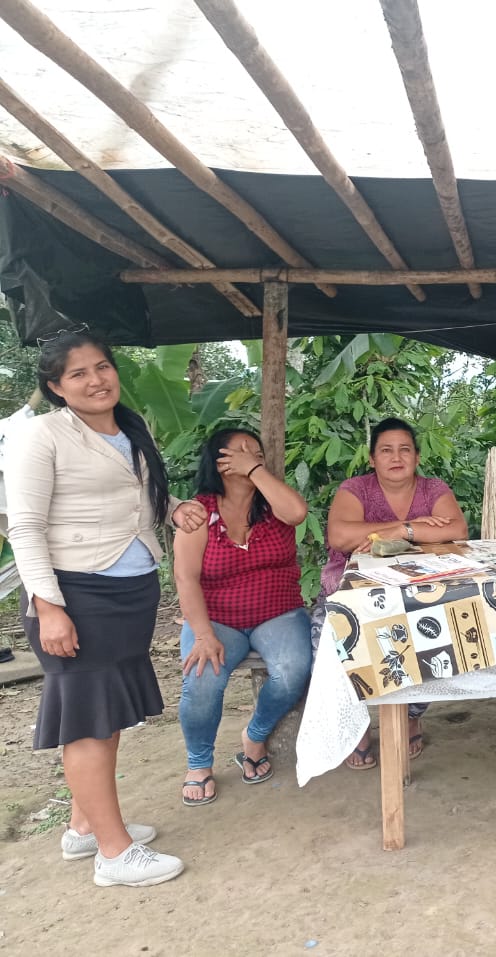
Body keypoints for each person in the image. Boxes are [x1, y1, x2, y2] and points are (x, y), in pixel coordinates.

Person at [6, 329, 205, 887]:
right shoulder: (42, 435)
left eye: (102, 366)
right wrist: (49, 607)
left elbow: (136, 500)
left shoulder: (130, 428)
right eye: (78, 374)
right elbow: (24, 527)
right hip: (77, 593)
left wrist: (174, 509)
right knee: (87, 725)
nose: (96, 380)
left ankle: (84, 828)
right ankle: (114, 856)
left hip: (129, 591)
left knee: (106, 715)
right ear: (56, 386)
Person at [174, 428, 311, 806]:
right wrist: (203, 635)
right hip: (217, 618)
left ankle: (255, 735)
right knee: (202, 680)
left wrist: (253, 470)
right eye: (240, 451)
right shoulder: (198, 512)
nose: (251, 455)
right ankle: (198, 763)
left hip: (278, 611)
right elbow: (185, 578)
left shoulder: (274, 504)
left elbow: (298, 513)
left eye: (256, 451)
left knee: (293, 670)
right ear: (218, 462)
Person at [320, 417, 467, 769]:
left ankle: (411, 714)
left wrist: (397, 533)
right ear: (372, 459)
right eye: (386, 450)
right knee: (326, 645)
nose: (396, 457)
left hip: (418, 592)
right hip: (351, 594)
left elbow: (457, 530)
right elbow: (340, 537)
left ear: (417, 457)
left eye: (405, 450)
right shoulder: (355, 489)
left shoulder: (433, 489)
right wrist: (406, 527)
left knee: (440, 636)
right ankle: (356, 727)